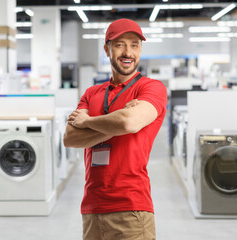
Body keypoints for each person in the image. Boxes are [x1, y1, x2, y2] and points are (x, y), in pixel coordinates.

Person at [64, 18, 167, 240]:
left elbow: (129, 123)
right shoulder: (92, 93)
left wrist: (88, 121)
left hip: (131, 207)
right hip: (92, 207)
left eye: (134, 45)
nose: (128, 52)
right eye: (119, 44)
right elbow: (70, 138)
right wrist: (118, 123)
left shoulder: (150, 88)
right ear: (106, 48)